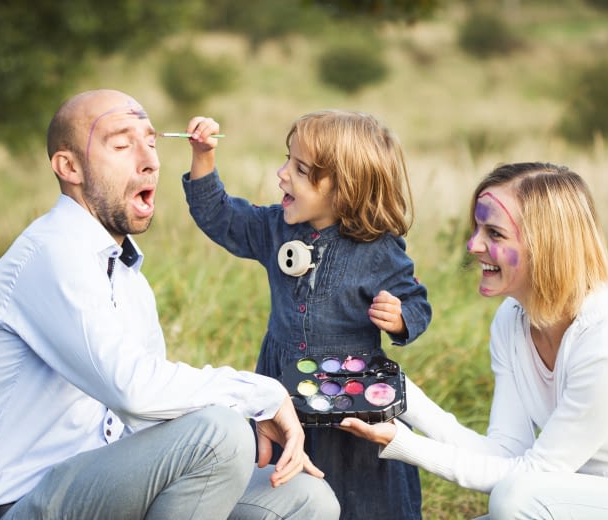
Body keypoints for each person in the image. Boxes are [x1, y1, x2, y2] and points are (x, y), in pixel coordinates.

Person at [0, 89, 340, 520]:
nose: (149, 159)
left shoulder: (127, 275)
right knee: (220, 434)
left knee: (307, 500)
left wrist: (232, 411)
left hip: (102, 486)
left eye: (151, 141)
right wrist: (259, 395)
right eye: (121, 144)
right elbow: (133, 390)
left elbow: (145, 418)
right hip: (11, 506)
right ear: (69, 167)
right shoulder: (50, 252)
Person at [339, 162, 608, 519]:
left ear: (547, 245)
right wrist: (399, 393)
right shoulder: (512, 320)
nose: (472, 245)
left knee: (516, 500)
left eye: (494, 233)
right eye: (476, 230)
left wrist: (403, 444)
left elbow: (530, 478)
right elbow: (504, 453)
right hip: (599, 501)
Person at [181, 110, 432, 519]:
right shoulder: (275, 227)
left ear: (344, 187)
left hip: (346, 403)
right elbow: (220, 216)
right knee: (288, 491)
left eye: (300, 168)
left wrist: (401, 317)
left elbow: (417, 304)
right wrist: (204, 157)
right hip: (285, 396)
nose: (281, 174)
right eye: (287, 160)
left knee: (360, 499)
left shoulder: (378, 249)